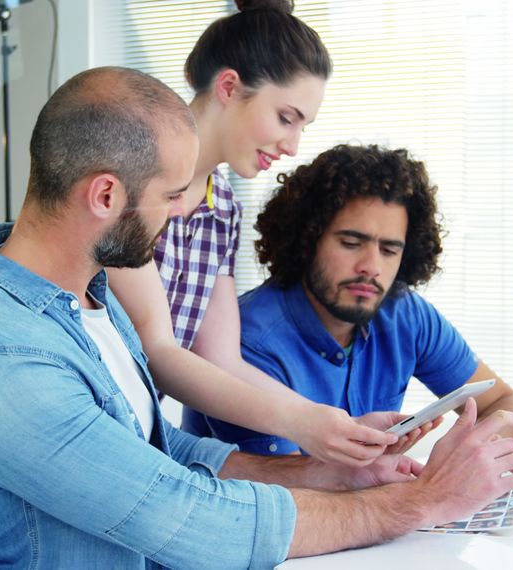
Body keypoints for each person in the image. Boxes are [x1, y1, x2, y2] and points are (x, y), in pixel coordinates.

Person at [0, 67, 513, 568]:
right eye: (171, 195)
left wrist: (330, 473)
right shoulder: (0, 359)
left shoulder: (88, 302)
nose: (182, 215)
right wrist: (419, 502)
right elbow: (185, 518)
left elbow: (163, 451)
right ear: (105, 196)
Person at [106, 0, 423, 466]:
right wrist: (304, 423)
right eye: (285, 117)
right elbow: (156, 351)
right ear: (230, 87)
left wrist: (326, 422)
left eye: (303, 126)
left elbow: (223, 361)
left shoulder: (222, 208)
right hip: (77, 419)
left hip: (132, 432)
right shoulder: (138, 175)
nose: (292, 146)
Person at [192, 144, 513, 454]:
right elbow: (289, 493)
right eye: (351, 243)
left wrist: (472, 454)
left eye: (389, 250)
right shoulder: (247, 341)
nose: (371, 267)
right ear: (307, 239)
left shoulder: (405, 314)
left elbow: (506, 404)